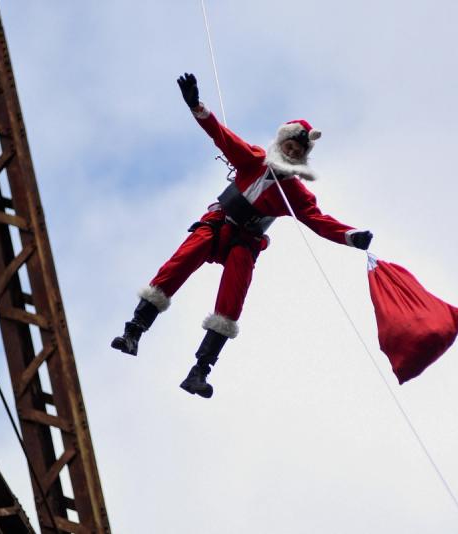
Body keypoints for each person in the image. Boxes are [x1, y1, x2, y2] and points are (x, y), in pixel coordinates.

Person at [111, 73, 373, 399]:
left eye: (296, 151)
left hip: (245, 242)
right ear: (279, 145)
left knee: (232, 298)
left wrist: (351, 236)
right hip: (218, 225)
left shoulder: (294, 193)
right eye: (288, 146)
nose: (290, 153)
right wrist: (196, 105)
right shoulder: (252, 159)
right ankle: (134, 331)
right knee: (180, 263)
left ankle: (200, 371)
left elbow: (318, 221)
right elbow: (220, 135)